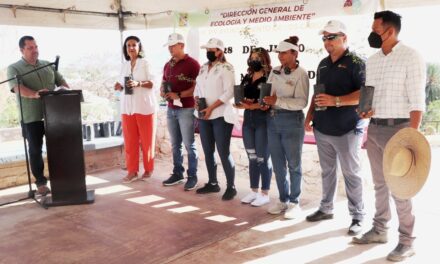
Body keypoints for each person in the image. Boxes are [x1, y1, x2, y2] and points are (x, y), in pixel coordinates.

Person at [352, 11, 426, 262]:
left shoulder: (411, 56)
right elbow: (370, 95)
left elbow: (418, 101)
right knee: (380, 185)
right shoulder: (372, 60)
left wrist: (411, 139)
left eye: (376, 30)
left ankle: (407, 241)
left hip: (400, 131)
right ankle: (380, 230)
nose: (372, 34)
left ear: (390, 31)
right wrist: (364, 109)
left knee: (401, 189)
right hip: (374, 128)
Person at [304, 20, 366, 235]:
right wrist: (309, 116)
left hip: (347, 128)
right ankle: (326, 208)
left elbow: (365, 94)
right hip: (322, 128)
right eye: (324, 38)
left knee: (351, 173)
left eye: (332, 37)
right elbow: (318, 94)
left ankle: (358, 216)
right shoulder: (322, 63)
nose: (327, 41)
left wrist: (336, 101)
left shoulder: (357, 61)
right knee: (327, 171)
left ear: (344, 38)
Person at [6, 36, 69, 196]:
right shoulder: (14, 68)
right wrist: (34, 94)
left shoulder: (48, 65)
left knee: (58, 148)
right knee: (35, 150)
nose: (35, 50)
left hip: (54, 115)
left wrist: (64, 90)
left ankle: (62, 180)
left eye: (36, 47)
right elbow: (17, 87)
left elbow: (62, 83)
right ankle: (40, 183)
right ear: (22, 50)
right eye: (30, 48)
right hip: (31, 117)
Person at [264, 36, 309, 219]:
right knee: (278, 165)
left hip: (292, 121)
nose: (280, 56)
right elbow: (268, 91)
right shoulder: (275, 70)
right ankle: (282, 199)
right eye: (279, 53)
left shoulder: (301, 73)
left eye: (283, 53)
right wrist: (265, 103)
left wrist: (278, 101)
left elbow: (302, 102)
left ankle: (294, 202)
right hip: (273, 119)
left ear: (294, 53)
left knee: (294, 164)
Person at [194, 38, 237, 200]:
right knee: (207, 150)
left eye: (212, 49)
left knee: (223, 152)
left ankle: (231, 186)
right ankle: (213, 183)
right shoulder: (203, 68)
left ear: (220, 51)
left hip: (220, 115)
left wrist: (211, 107)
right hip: (204, 115)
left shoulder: (227, 68)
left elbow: (229, 92)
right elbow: (198, 87)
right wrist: (197, 99)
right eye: (207, 49)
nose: (208, 52)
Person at [161, 33, 200, 191]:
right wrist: (162, 91)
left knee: (189, 144)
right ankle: (178, 173)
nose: (170, 48)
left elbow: (197, 87)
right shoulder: (167, 65)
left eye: (173, 45)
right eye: (169, 46)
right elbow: (163, 81)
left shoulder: (193, 64)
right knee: (175, 144)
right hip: (171, 109)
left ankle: (192, 176)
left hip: (186, 108)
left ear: (182, 45)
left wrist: (179, 95)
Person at [114, 36, 156, 183]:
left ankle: (148, 169)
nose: (131, 48)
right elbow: (121, 82)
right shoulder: (124, 65)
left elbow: (153, 82)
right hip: (127, 108)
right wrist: (118, 85)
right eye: (128, 46)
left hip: (144, 107)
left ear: (139, 47)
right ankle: (132, 171)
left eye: (133, 45)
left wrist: (138, 83)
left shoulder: (145, 63)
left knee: (146, 141)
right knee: (130, 142)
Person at [235, 47, 273, 207]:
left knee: (263, 158)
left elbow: (269, 101)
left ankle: (265, 193)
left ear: (264, 59)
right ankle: (253, 191)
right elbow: (245, 96)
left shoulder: (270, 76)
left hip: (263, 121)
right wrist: (243, 103)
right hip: (248, 121)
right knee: (252, 157)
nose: (254, 60)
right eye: (252, 57)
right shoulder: (248, 75)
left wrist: (254, 106)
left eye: (257, 57)